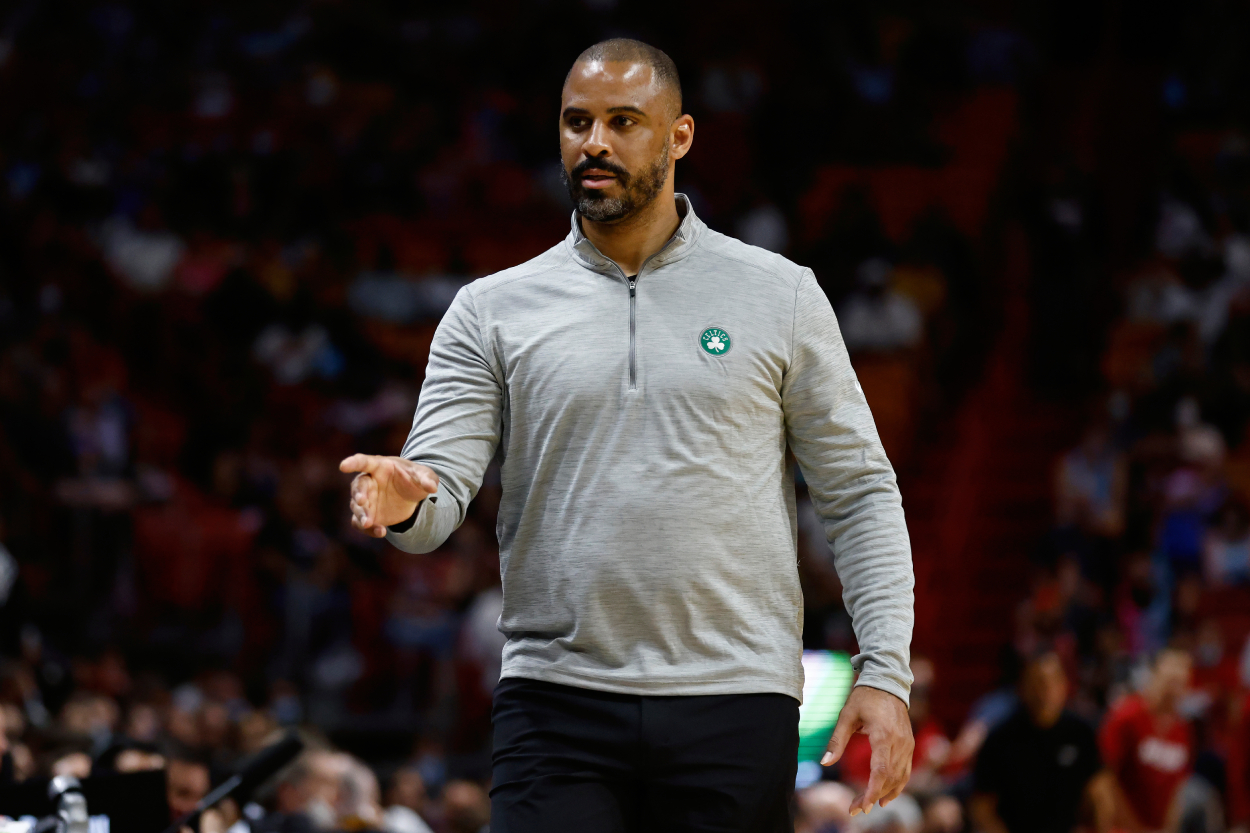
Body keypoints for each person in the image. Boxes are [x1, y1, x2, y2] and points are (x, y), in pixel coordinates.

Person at [341, 37, 915, 832]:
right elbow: (433, 502)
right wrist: (403, 500)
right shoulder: (490, 309)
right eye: (577, 122)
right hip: (555, 701)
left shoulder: (780, 295)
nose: (595, 143)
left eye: (622, 121)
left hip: (735, 696)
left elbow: (858, 492)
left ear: (679, 136)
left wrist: (885, 671)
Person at [970, 650, 1114, 833]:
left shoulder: (1081, 733)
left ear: (1064, 686)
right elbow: (982, 808)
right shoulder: (999, 739)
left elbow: (1101, 795)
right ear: (1022, 687)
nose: (1044, 691)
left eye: (1050, 683)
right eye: (1036, 682)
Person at [1098, 648, 1195, 833]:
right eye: (1170, 682)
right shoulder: (1127, 715)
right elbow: (1105, 778)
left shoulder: (1183, 730)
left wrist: (1169, 828)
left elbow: (1178, 788)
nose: (1173, 691)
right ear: (1155, 678)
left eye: (1180, 683)